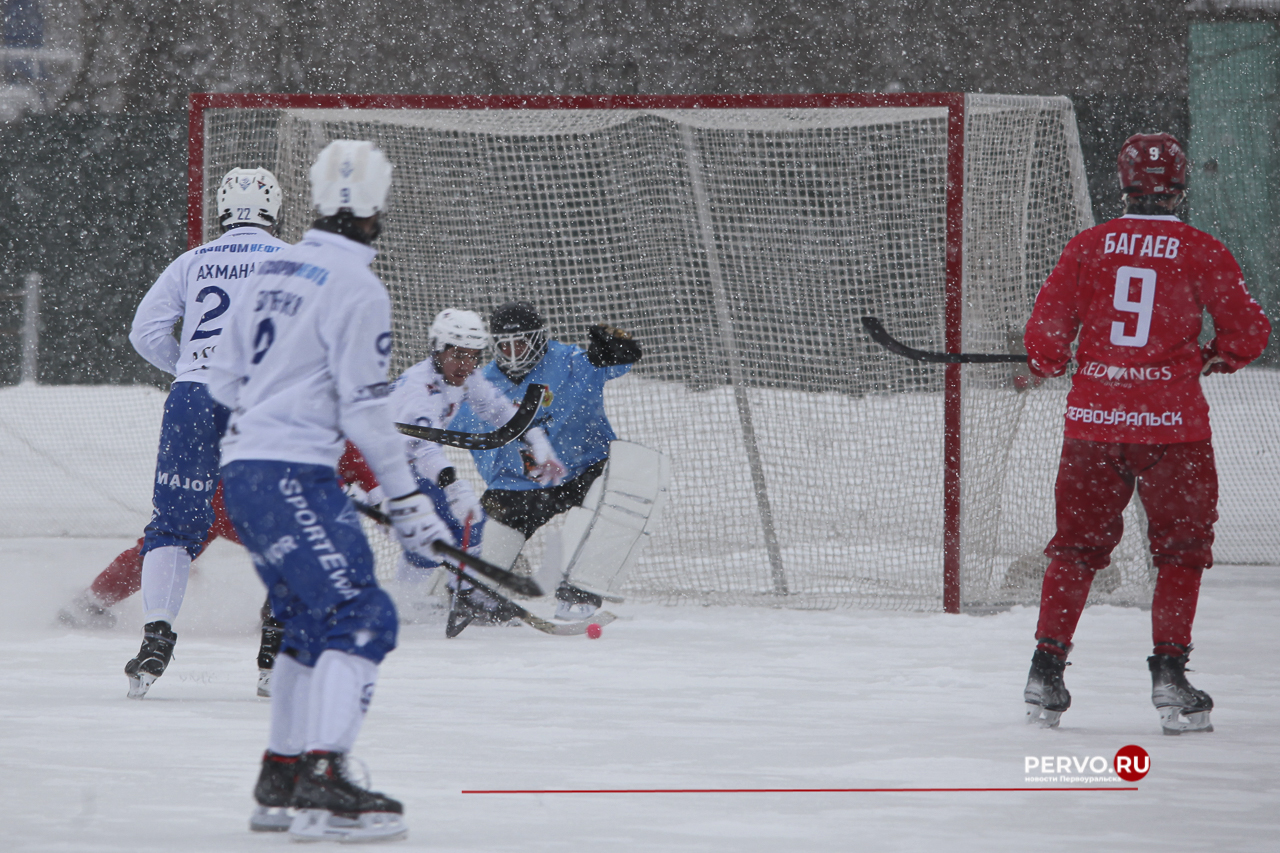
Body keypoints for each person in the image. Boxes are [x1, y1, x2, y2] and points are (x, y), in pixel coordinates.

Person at [208, 139, 450, 842]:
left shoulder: (271, 267)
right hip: (292, 472)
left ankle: (282, 776)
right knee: (363, 614)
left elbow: (223, 382)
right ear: (378, 208)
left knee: (307, 622)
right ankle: (326, 776)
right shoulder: (359, 287)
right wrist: (408, 503)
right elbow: (367, 411)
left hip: (245, 472)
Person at [1021, 132, 1271, 733]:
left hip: (1093, 428)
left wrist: (1052, 362)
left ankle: (1045, 672)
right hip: (1173, 430)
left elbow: (1046, 341)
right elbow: (1249, 331)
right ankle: (1169, 677)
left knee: (1075, 551)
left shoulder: (1089, 247)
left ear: (1123, 184)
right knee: (1180, 554)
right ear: (1181, 185)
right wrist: (1217, 356)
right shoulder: (1201, 249)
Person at [120, 167, 289, 700]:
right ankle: (275, 652)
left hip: (193, 398)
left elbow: (143, 332)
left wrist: (190, 369)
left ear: (222, 210)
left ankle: (156, 637)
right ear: (273, 210)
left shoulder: (192, 260)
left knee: (172, 525)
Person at [56, 443, 381, 698]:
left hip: (214, 495)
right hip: (253, 505)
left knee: (161, 549)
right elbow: (358, 477)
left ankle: (92, 600)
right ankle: (278, 626)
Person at [449, 300, 641, 619]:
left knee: (613, 502)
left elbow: (620, 362)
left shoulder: (572, 362)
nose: (512, 353)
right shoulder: (477, 387)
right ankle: (473, 596)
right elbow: (431, 413)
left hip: (586, 470)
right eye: (504, 346)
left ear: (538, 340)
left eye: (521, 343)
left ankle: (581, 593)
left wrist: (621, 347)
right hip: (517, 486)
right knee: (481, 556)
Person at [386, 307, 564, 636]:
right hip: (382, 469)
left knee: (454, 528)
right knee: (439, 529)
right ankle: (462, 593)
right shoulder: (419, 388)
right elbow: (423, 448)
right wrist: (452, 484)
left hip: (408, 466)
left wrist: (536, 440)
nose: (465, 365)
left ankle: (415, 601)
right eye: (457, 355)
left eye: (473, 356)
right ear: (437, 349)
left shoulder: (463, 377)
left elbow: (497, 409)